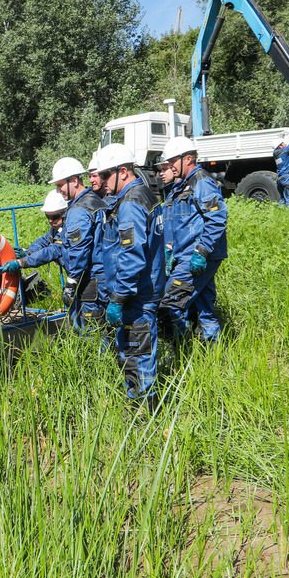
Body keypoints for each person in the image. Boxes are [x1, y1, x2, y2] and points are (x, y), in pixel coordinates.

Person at [96, 144, 166, 411]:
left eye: (105, 175)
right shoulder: (146, 195)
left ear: (122, 172)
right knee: (138, 348)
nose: (101, 182)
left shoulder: (130, 204)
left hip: (137, 293)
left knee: (137, 351)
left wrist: (118, 297)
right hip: (146, 286)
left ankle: (144, 413)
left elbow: (132, 255)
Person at [3, 158, 109, 328]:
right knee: (98, 326)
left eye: (60, 185)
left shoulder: (78, 211)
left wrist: (71, 282)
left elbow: (68, 249)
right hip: (99, 275)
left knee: (90, 330)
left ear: (74, 180)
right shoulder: (94, 200)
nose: (58, 190)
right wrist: (28, 251)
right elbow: (48, 240)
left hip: (90, 278)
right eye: (48, 217)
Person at [157, 137, 228, 343]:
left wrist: (202, 251)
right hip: (188, 255)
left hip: (197, 256)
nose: (169, 167)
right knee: (204, 305)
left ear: (188, 158)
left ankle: (179, 353)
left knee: (169, 305)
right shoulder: (185, 185)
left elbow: (217, 218)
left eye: (172, 162)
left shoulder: (202, 182)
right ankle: (212, 353)